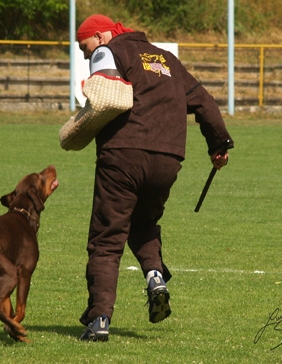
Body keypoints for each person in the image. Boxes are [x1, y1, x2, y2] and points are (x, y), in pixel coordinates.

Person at [64, 14, 234, 342]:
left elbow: (103, 99)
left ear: (100, 36)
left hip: (124, 156)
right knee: (142, 226)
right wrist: (219, 144)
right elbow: (204, 102)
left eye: (86, 48)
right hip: (168, 159)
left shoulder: (111, 53)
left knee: (107, 237)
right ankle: (156, 278)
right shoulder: (166, 59)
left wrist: (75, 130)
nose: (86, 55)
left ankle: (99, 319)